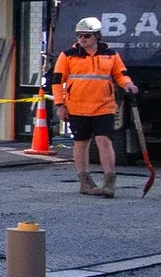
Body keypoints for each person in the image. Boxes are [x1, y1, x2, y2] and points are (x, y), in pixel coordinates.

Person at [53, 17, 138, 198]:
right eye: (79, 36)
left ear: (97, 36)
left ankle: (109, 183)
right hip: (77, 107)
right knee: (81, 143)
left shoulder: (111, 55)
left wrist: (128, 84)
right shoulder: (67, 55)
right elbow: (57, 82)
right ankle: (84, 181)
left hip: (103, 106)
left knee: (104, 141)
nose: (82, 39)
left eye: (87, 36)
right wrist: (60, 105)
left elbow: (121, 74)